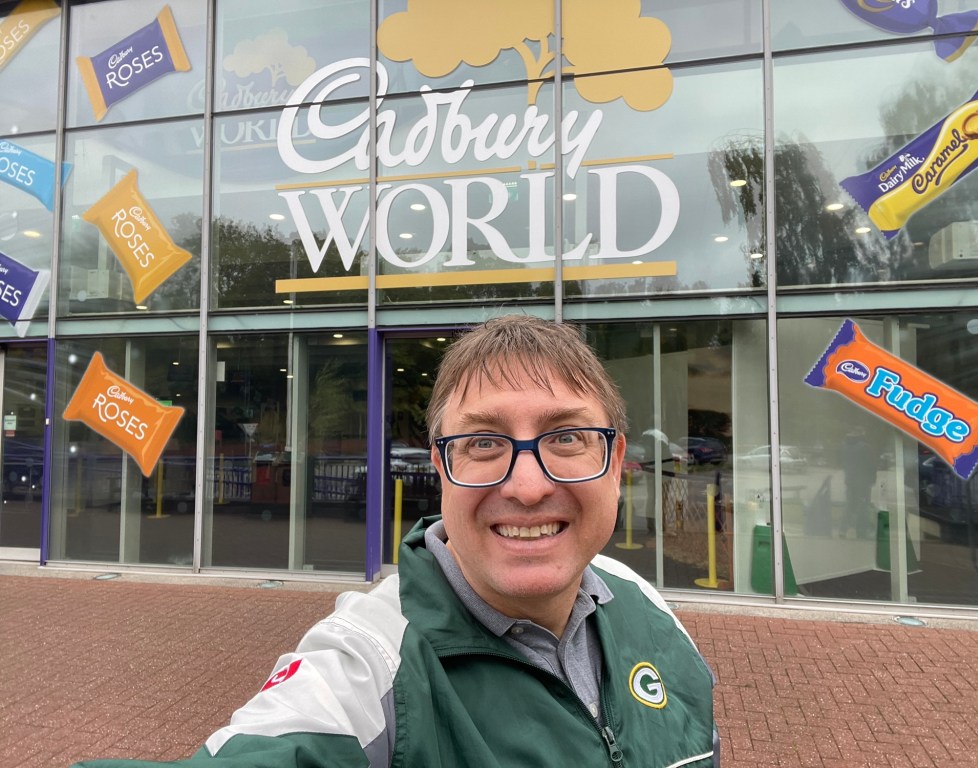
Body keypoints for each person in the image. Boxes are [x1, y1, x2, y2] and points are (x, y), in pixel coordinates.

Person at [73, 314, 719, 768]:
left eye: (567, 437)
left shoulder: (648, 612)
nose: (526, 486)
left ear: (616, 461)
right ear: (440, 468)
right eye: (484, 443)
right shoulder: (373, 665)